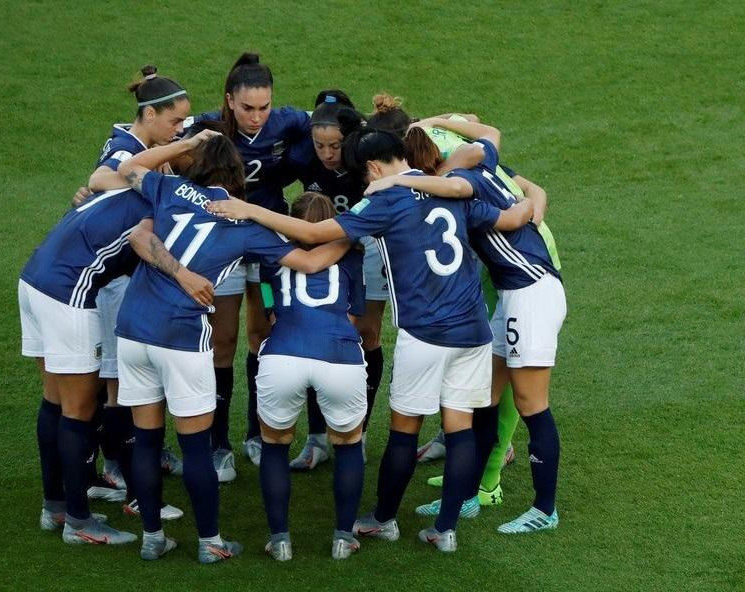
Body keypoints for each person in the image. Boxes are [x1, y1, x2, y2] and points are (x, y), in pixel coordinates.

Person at [207, 122, 533, 552]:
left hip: (424, 332)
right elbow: (510, 215)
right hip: (472, 328)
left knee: (405, 429)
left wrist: (249, 211)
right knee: (460, 428)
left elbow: (314, 236)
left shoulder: (385, 200)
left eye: (365, 175)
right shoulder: (452, 188)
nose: (365, 183)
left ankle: (381, 520)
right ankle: (446, 529)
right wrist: (535, 200)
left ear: (376, 168)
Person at [90, 124, 352, 562]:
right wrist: (351, 235)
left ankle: (152, 537)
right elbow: (309, 258)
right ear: (237, 177)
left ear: (196, 164)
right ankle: (210, 541)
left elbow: (130, 166)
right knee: (195, 446)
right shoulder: (243, 221)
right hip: (181, 336)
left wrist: (184, 143)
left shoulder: (169, 188)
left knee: (147, 438)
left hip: (133, 330)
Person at [365, 116, 566, 534]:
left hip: (529, 291)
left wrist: (399, 183)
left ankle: (544, 509)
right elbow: (492, 135)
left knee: (532, 405)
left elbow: (461, 185)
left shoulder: (460, 180)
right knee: (485, 401)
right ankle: (471, 494)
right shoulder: (483, 166)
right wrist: (441, 121)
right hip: (515, 293)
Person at [20, 131, 215, 546]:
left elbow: (117, 174)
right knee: (79, 407)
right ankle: (78, 522)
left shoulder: (131, 179)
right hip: (67, 290)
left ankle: (54, 506)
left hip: (35, 276)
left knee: (55, 399)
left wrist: (180, 145)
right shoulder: (167, 200)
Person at [190, 53, 313, 473]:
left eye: (264, 107)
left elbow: (337, 121)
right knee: (222, 339)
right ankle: (217, 442)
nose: (257, 117)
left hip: (263, 252)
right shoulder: (205, 128)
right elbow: (152, 146)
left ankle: (258, 434)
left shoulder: (289, 121)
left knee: (262, 333)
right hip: (224, 251)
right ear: (229, 100)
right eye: (247, 108)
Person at [84, 65, 188, 520]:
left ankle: (129, 462)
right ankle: (124, 477)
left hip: (128, 276)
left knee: (127, 380)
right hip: (116, 280)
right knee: (119, 382)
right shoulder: (128, 148)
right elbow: (98, 181)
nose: (180, 129)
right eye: (175, 122)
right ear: (149, 115)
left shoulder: (145, 144)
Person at [255, 191, 368, 561]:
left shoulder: (272, 257)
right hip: (339, 355)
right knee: (349, 444)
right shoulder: (352, 256)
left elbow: (269, 308)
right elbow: (355, 316)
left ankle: (280, 540)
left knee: (274, 444)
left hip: (282, 353)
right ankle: (342, 538)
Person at [283, 91, 386, 470]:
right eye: (319, 145)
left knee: (367, 334)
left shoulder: (366, 163)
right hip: (320, 250)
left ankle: (357, 431)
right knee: (315, 331)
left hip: (368, 251)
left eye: (335, 146)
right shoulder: (302, 158)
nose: (327, 154)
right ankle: (317, 438)